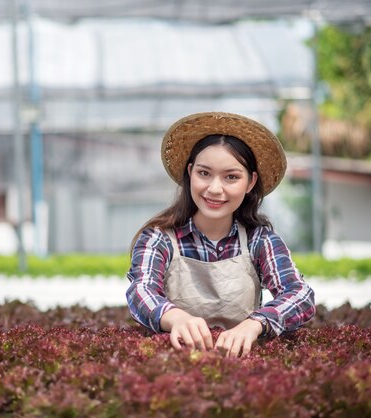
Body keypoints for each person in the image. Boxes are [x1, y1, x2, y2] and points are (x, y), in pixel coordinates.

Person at [126, 112, 316, 358]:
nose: (215, 189)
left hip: (241, 368)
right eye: (204, 173)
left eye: (231, 177)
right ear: (190, 172)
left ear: (250, 183)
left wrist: (254, 324)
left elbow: (300, 295)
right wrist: (176, 318)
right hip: (174, 365)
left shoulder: (261, 241)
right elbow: (140, 290)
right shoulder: (158, 239)